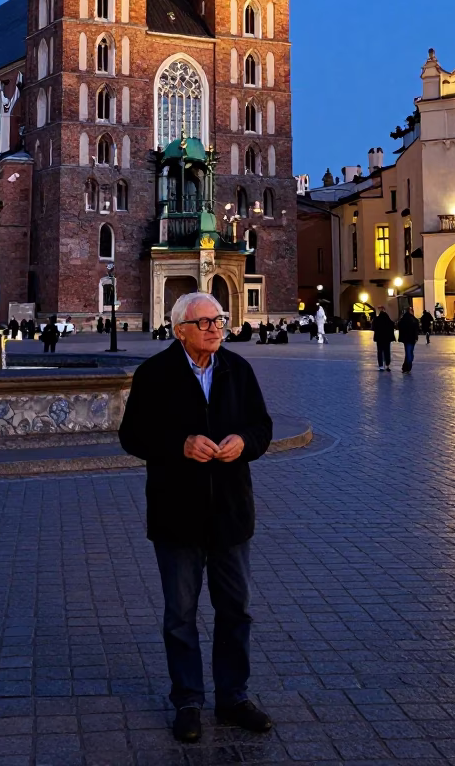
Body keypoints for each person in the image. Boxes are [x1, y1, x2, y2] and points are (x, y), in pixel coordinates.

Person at [119, 292, 273, 745]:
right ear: (179, 329)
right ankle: (187, 700)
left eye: (219, 320)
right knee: (180, 615)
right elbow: (133, 435)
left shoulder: (237, 370)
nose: (215, 328)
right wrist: (179, 445)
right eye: (204, 322)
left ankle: (233, 696)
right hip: (177, 514)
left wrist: (244, 442)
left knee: (235, 611)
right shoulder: (155, 374)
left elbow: (261, 427)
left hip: (230, 513)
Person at [372, 306, 394, 371]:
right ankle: (387, 364)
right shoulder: (388, 319)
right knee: (387, 351)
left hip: (379, 338)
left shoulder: (376, 319)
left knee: (380, 351)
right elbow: (392, 325)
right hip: (387, 338)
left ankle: (381, 365)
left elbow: (373, 328)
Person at [398, 306, 419, 373]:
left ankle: (405, 367)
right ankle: (408, 366)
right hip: (412, 338)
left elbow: (399, 326)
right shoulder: (413, 319)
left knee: (408, 352)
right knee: (410, 352)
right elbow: (417, 328)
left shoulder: (403, 319)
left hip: (406, 339)